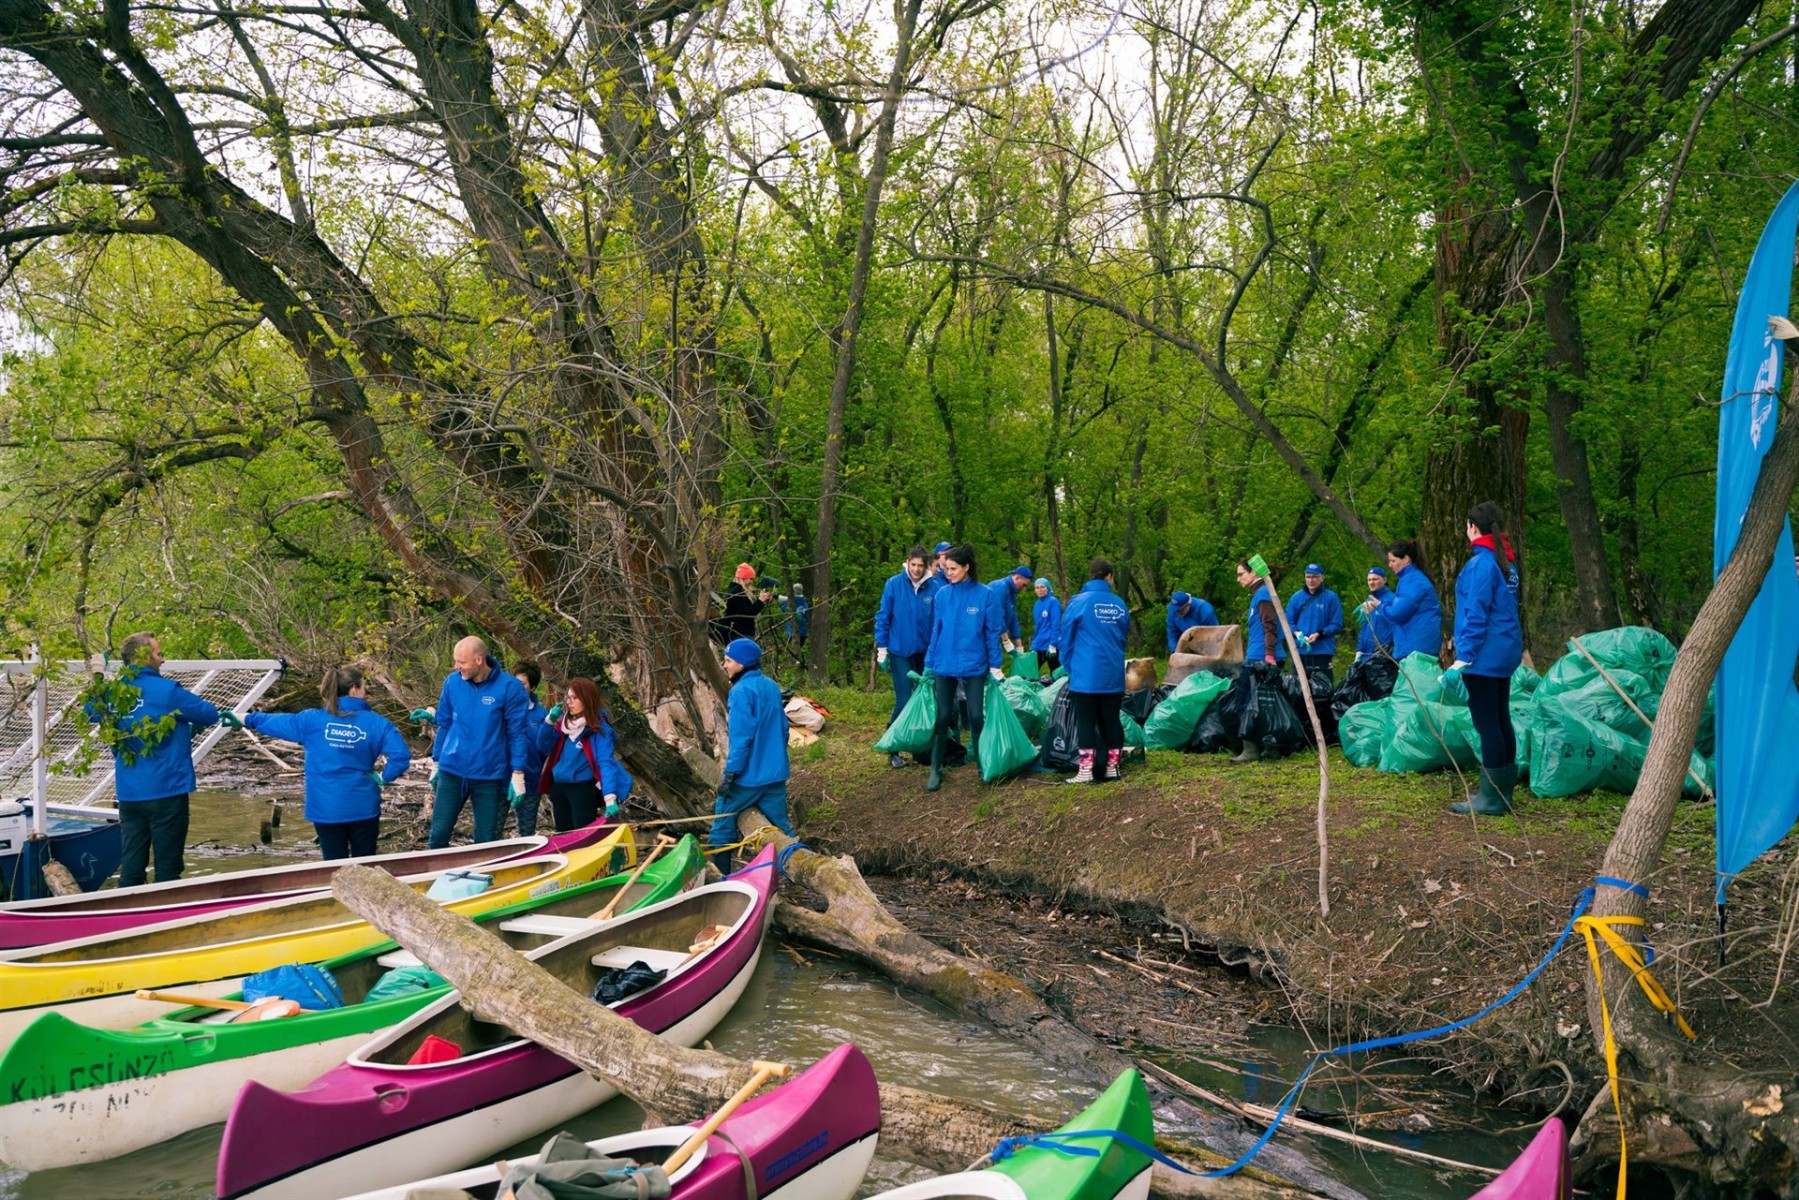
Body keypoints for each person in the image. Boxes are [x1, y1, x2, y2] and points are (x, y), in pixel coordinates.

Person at [87, 632, 221, 886]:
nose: (162, 659)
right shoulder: (167, 691)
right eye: (159, 654)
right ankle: (166, 919)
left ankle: (127, 917)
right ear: (143, 657)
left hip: (129, 794)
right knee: (168, 868)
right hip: (166, 791)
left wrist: (98, 674)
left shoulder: (111, 692)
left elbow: (91, 710)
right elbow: (209, 714)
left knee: (132, 865)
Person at [243, 667, 410, 860]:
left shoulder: (311, 720)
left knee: (332, 864)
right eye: (364, 686)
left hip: (325, 808)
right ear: (354, 690)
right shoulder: (378, 723)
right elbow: (400, 757)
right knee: (366, 863)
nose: (366, 691)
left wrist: (246, 719)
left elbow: (275, 722)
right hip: (362, 805)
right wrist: (383, 777)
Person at [1447, 502, 1524, 815]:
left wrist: (1463, 657)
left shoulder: (1482, 563)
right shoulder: (1505, 561)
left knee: (1487, 723)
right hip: (1504, 650)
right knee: (1500, 718)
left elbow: (1475, 614)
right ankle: (1503, 794)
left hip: (1484, 655)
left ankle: (1490, 799)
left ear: (1473, 527)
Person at [426, 636, 531, 848]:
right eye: (456, 661)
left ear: (479, 660)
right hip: (452, 771)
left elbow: (517, 733)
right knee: (438, 833)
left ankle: (483, 876)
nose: (457, 667)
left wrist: (518, 774)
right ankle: (433, 877)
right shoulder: (453, 682)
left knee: (485, 839)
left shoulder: (509, 687)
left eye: (462, 662)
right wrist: (436, 762)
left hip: (488, 774)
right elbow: (444, 723)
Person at [923, 544, 1005, 792]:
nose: (949, 573)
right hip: (944, 663)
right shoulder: (942, 595)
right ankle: (936, 768)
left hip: (974, 664)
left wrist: (995, 665)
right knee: (943, 716)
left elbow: (991, 633)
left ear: (967, 567)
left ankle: (982, 765)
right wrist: (929, 662)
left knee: (977, 717)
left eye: (953, 569)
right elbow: (936, 631)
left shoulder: (986, 595)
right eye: (946, 569)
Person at [711, 639, 795, 866]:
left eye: (728, 661)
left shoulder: (740, 691)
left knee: (720, 829)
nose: (724, 665)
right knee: (783, 831)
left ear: (742, 663)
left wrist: (730, 776)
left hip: (747, 780)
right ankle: (794, 869)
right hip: (776, 775)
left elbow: (741, 740)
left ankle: (720, 881)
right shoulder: (771, 685)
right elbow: (784, 730)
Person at [1062, 558, 1130, 784]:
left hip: (1086, 673)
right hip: (1112, 670)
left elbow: (1067, 638)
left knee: (1086, 721)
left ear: (1091, 575)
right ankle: (1113, 768)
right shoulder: (1119, 603)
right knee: (1112, 719)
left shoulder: (1078, 602)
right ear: (1109, 576)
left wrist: (1069, 666)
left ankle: (1085, 771)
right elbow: (1122, 636)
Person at [535, 676, 633, 830]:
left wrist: (610, 798)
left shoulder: (598, 729)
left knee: (583, 833)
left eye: (575, 698)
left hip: (581, 789)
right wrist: (548, 722)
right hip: (559, 788)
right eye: (568, 697)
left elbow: (605, 763)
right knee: (563, 835)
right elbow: (542, 747)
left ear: (587, 699)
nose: (569, 702)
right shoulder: (562, 723)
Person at [874, 545, 937, 768]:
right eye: (913, 565)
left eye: (921, 565)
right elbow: (883, 616)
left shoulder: (934, 588)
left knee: (924, 699)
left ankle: (920, 747)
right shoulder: (894, 584)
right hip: (899, 650)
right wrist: (882, 649)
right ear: (907, 563)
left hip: (924, 653)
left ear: (927, 566)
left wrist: (936, 651)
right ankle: (893, 748)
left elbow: (938, 623)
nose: (917, 570)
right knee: (905, 698)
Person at [1361, 540, 1443, 660]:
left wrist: (1379, 605)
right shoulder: (1411, 579)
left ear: (1405, 559)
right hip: (1417, 645)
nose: (1390, 565)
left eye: (1393, 561)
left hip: (1416, 648)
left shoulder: (1412, 581)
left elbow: (1397, 613)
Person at [509, 660, 549, 837]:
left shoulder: (542, 715)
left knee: (525, 832)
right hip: (501, 778)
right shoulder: (502, 708)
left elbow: (545, 749)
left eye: (523, 683)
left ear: (532, 687)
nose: (518, 687)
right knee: (491, 831)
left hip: (531, 780)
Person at [1286, 565, 1344, 682]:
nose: (1310, 580)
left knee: (1322, 691)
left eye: (1314, 577)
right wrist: (1296, 633)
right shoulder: (1296, 598)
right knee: (1298, 690)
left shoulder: (1331, 598)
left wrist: (1320, 634)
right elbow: (1288, 621)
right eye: (1308, 577)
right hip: (1300, 651)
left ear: (1322, 578)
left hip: (1322, 651)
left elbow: (1337, 624)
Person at [1236, 561, 1285, 667]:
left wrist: (1270, 655)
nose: (1238, 579)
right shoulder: (1259, 594)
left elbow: (1270, 625)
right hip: (1258, 654)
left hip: (1262, 657)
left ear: (1253, 572)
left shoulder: (1263, 594)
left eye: (1241, 574)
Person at [712, 563, 770, 645]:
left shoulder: (735, 590)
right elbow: (746, 614)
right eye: (751, 579)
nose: (751, 582)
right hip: (740, 635)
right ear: (744, 577)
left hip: (739, 634)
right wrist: (760, 601)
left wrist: (762, 602)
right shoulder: (737, 592)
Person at [987, 564, 1033, 655]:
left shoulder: (1011, 593)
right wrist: (1006, 642)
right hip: (983, 633)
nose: (1023, 589)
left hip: (993, 635)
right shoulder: (1000, 587)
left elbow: (1013, 620)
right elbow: (997, 616)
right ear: (1017, 578)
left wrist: (1020, 647)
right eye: (1024, 585)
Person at [1355, 567, 1394, 661]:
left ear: (1384, 580)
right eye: (1369, 580)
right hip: (1366, 655)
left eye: (1375, 579)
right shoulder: (1368, 601)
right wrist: (1359, 651)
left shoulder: (1392, 600)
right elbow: (1363, 627)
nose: (1371, 582)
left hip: (1384, 655)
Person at [1030, 578, 1062, 672]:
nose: (1039, 590)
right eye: (1037, 588)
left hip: (1050, 645)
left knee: (1056, 673)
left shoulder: (1053, 602)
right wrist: (1033, 644)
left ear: (1047, 588)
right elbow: (1038, 626)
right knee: (1031, 673)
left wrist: (1053, 644)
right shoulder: (1036, 605)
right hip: (1038, 645)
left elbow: (1055, 624)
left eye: (1042, 587)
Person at [781, 584, 811, 651]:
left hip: (792, 632)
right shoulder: (805, 602)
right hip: (803, 632)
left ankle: (798, 661)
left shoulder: (789, 602)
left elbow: (783, 609)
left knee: (794, 652)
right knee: (799, 651)